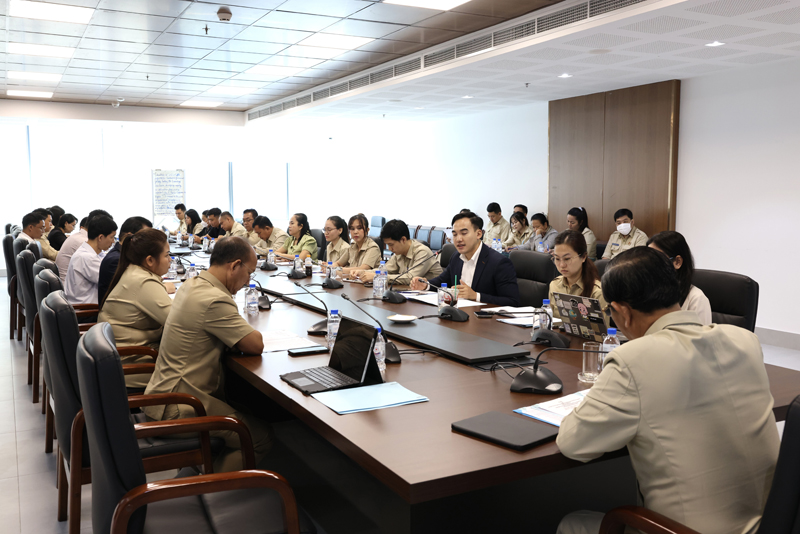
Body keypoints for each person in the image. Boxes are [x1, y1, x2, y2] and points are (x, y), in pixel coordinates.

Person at [556, 247, 779, 534]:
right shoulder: (745, 340)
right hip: (771, 522)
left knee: (572, 523)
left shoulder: (633, 360)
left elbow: (573, 443)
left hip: (683, 530)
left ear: (622, 312)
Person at [143, 237, 271, 473]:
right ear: (235, 265)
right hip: (180, 405)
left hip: (161, 395)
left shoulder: (192, 284)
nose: (248, 281)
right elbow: (255, 344)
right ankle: (205, 489)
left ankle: (204, 474)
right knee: (258, 437)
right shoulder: (214, 299)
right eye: (249, 273)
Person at [99, 228, 175, 389]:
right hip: (133, 368)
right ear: (150, 260)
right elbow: (179, 323)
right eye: (167, 255)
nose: (170, 260)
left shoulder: (133, 271)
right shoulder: (144, 282)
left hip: (121, 360)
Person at [411, 212, 519, 306]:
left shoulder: (498, 262)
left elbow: (512, 301)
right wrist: (426, 285)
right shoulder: (456, 257)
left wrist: (476, 296)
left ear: (478, 234)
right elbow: (442, 281)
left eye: (464, 233)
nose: (458, 239)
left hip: (485, 320)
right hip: (457, 315)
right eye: (454, 234)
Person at [647, 231, 712, 325]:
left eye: (657, 260)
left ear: (677, 262)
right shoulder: (649, 292)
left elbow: (702, 334)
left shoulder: (696, 299)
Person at [355, 219, 441, 284]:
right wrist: (362, 272)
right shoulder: (399, 253)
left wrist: (378, 277)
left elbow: (410, 278)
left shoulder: (422, 252)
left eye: (391, 244)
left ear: (403, 239)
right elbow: (385, 270)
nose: (389, 249)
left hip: (433, 296)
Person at [548, 230, 607, 323]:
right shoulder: (554, 285)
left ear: (583, 257)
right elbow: (550, 322)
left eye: (567, 259)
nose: (562, 265)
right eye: (557, 259)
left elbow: (601, 331)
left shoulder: (597, 292)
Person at [97, 217, 152, 305]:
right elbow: (133, 289)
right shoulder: (115, 260)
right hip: (118, 310)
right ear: (129, 236)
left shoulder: (127, 255)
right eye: (145, 237)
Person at [64, 216, 117, 305]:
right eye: (112, 237)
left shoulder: (91, 252)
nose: (113, 241)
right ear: (100, 237)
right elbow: (113, 281)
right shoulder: (87, 257)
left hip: (87, 305)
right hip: (86, 309)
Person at [57, 209, 113, 284]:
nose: (113, 241)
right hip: (69, 284)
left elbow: (101, 258)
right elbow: (103, 270)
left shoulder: (80, 237)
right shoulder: (83, 242)